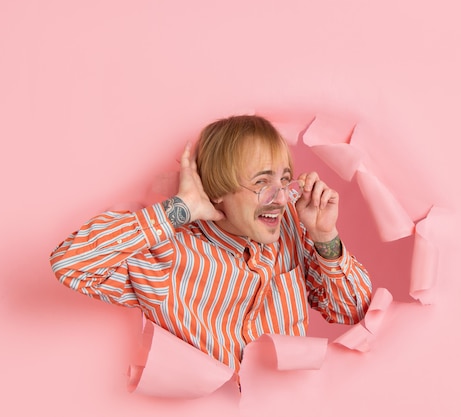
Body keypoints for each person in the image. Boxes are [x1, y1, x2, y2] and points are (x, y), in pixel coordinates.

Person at [50, 115, 372, 371]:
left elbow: (354, 311)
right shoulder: (169, 253)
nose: (280, 198)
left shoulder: (292, 229)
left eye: (284, 179)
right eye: (262, 181)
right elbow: (70, 262)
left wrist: (324, 236)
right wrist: (180, 209)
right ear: (217, 189)